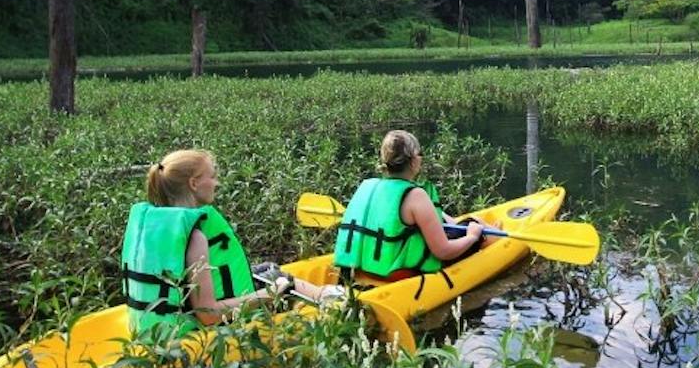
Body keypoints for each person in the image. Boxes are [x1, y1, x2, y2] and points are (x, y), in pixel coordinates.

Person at [121, 148, 341, 336]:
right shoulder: (195, 238)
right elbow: (208, 314)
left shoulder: (158, 226)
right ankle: (331, 300)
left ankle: (324, 293)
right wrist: (269, 294)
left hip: (155, 325)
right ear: (194, 183)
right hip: (194, 332)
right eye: (212, 176)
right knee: (280, 281)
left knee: (266, 270)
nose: (216, 183)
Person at [332, 130, 485, 280]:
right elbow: (443, 251)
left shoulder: (370, 186)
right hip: (396, 274)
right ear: (413, 161)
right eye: (420, 154)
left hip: (361, 269)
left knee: (460, 225)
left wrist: (443, 216)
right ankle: (489, 236)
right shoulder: (416, 195)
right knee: (474, 226)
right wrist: (472, 236)